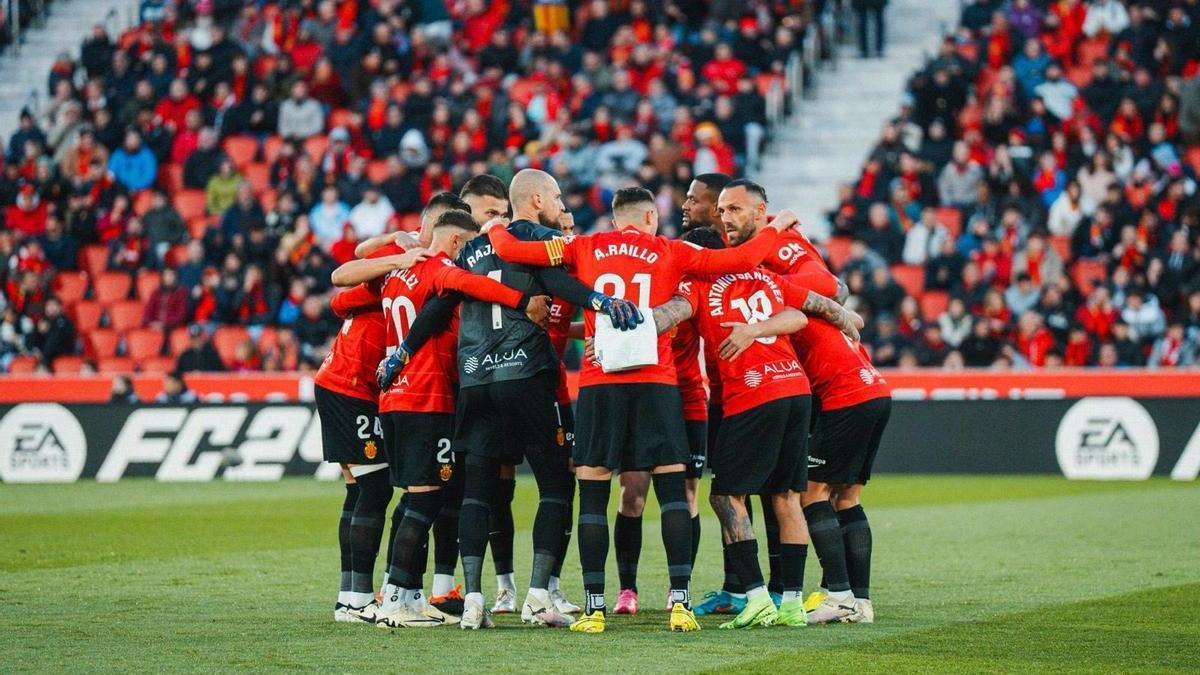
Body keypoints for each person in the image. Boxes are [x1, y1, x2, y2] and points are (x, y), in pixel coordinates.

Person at [486, 182, 799, 633]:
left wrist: (496, 228)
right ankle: (680, 604)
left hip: (599, 381)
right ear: (651, 218)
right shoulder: (672, 250)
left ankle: (594, 609)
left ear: (616, 220)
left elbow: (516, 252)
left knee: (594, 487)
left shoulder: (584, 244)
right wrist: (777, 225)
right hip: (657, 383)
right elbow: (741, 260)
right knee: (675, 491)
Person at [384, 171, 636, 630]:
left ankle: (476, 598)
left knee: (477, 492)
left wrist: (403, 351)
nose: (560, 203)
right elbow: (559, 286)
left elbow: (440, 303)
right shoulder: (540, 240)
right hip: (527, 374)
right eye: (556, 196)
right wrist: (601, 299)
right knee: (557, 484)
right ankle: (540, 595)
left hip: (476, 381)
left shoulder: (474, 247)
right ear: (536, 200)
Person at [334, 208, 552, 629]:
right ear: (455, 242)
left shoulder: (397, 274)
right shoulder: (439, 268)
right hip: (425, 395)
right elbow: (476, 283)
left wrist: (391, 256)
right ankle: (396, 598)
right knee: (426, 498)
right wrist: (523, 300)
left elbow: (342, 280)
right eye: (467, 246)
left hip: (392, 397)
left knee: (414, 496)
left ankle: (408, 597)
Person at [652, 226, 817, 628]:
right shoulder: (763, 275)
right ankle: (792, 604)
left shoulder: (694, 283)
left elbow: (670, 315)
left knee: (725, 496)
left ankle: (757, 596)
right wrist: (844, 315)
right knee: (787, 496)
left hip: (754, 392)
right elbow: (800, 313)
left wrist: (620, 320)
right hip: (796, 388)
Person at [612, 172, 731, 615]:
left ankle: (677, 588)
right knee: (633, 492)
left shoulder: (684, 268)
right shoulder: (650, 267)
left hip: (687, 395)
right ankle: (627, 590)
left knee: (686, 494)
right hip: (644, 391)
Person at [312, 282, 393, 621]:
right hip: (350, 387)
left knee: (358, 488)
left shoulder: (372, 290)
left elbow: (338, 300)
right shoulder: (385, 285)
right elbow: (339, 290)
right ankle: (359, 599)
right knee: (375, 488)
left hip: (338, 382)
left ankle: (349, 597)